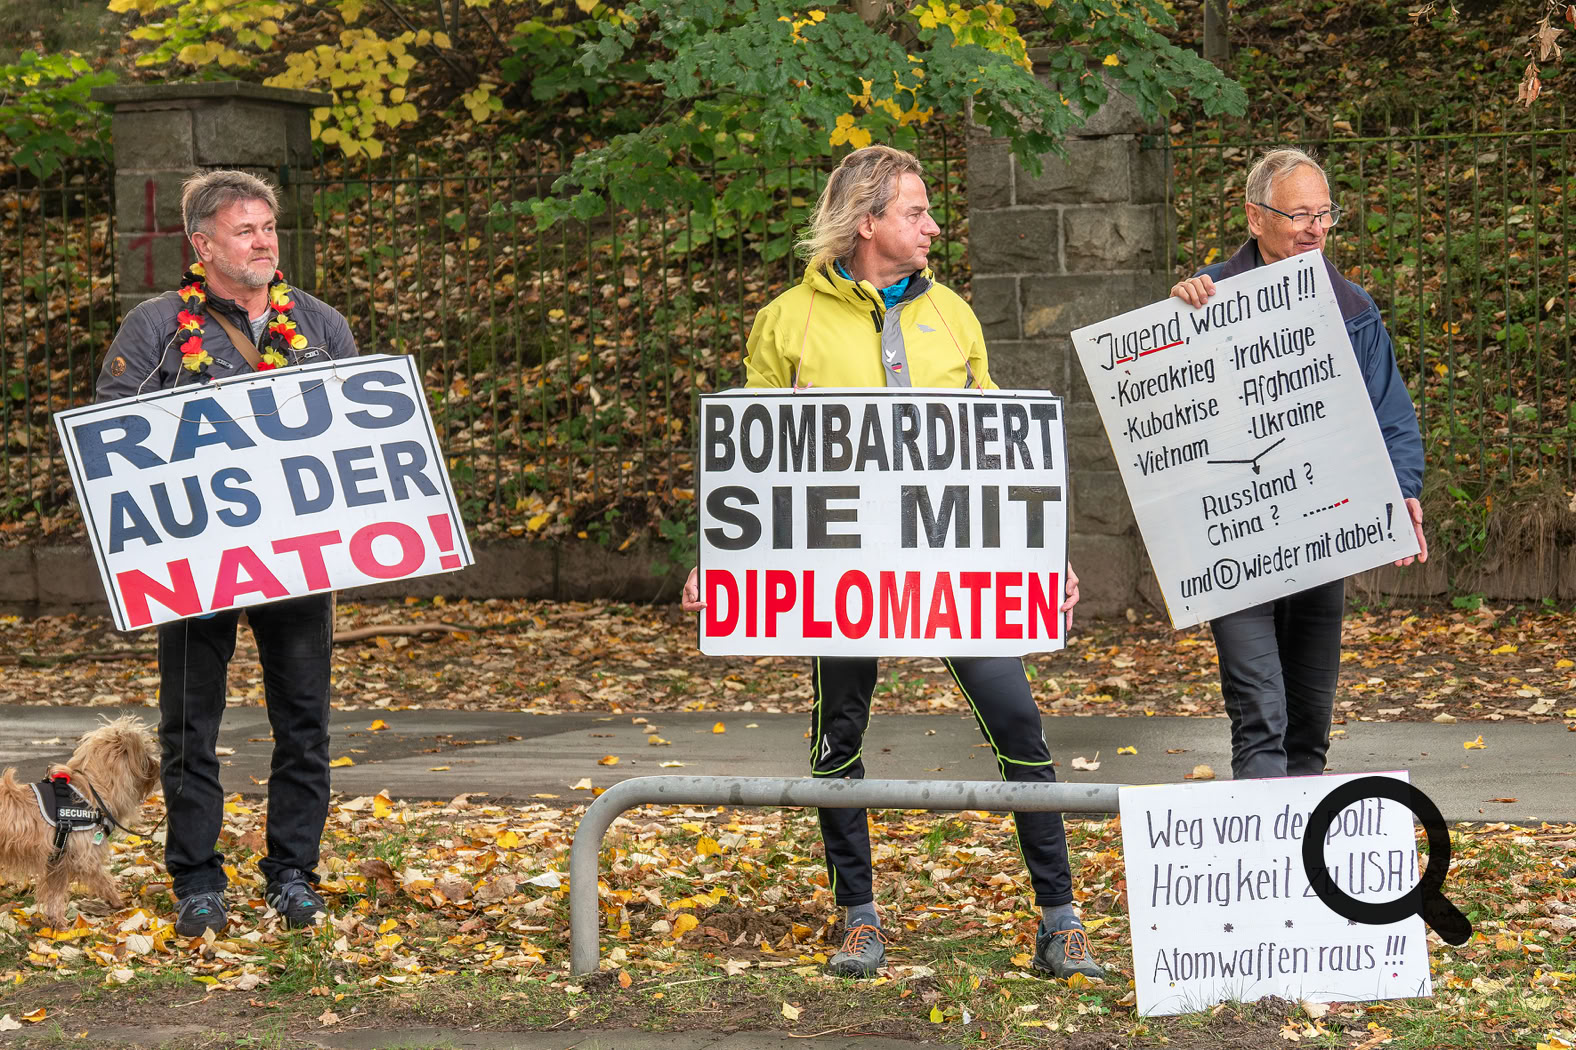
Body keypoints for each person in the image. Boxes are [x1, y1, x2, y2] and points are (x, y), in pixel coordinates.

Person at [680, 145, 1101, 981]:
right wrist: (718, 557)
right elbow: (758, 465)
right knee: (840, 731)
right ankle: (858, 917)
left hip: (958, 563)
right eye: (917, 212)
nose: (934, 225)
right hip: (840, 567)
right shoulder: (786, 320)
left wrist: (1040, 554)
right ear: (868, 222)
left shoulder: (956, 316)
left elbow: (996, 453)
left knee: (1018, 721)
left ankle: (1061, 920)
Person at [96, 169, 359, 936]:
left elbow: (355, 430)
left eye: (269, 228)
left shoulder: (320, 324)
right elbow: (113, 434)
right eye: (245, 231)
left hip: (298, 559)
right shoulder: (153, 329)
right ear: (202, 244)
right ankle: (197, 881)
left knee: (304, 721)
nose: (264, 242)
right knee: (189, 726)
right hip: (195, 563)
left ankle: (292, 874)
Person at [1170, 147, 1427, 781]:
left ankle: (1305, 870)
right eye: (1300, 214)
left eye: (1325, 214)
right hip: (1236, 539)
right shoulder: (1204, 300)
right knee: (1260, 719)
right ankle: (1265, 870)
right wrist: (1175, 318)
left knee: (1309, 725)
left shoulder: (1353, 307)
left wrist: (1402, 490)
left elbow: (1391, 414)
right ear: (1254, 218)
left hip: (1321, 530)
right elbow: (1165, 406)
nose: (1316, 228)